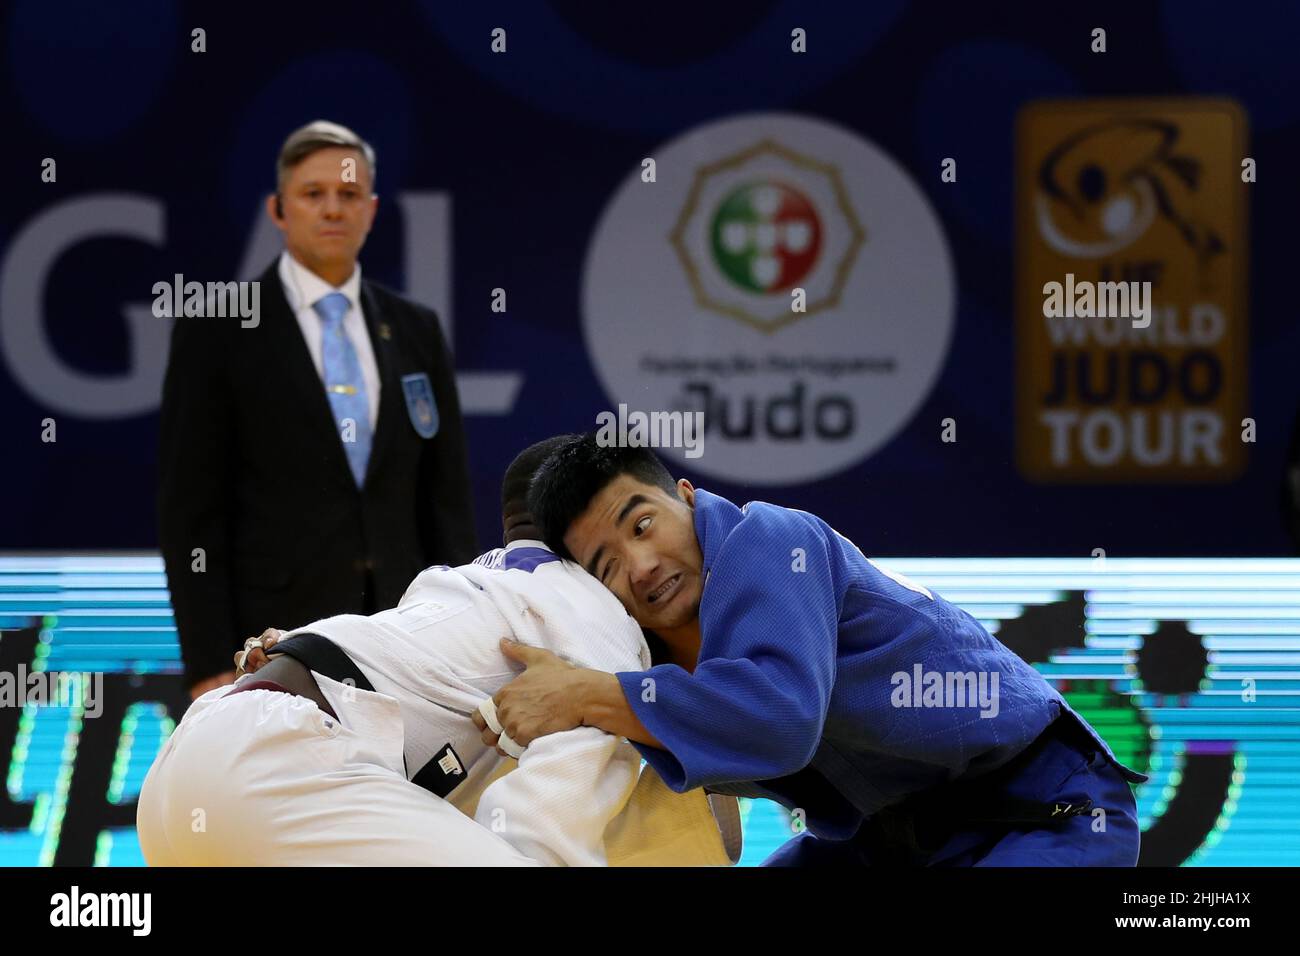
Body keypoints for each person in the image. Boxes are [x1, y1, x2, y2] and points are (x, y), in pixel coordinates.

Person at [475, 432, 1150, 866]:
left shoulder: (773, 540)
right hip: (889, 839)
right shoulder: (640, 651)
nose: (642, 564)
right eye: (607, 564)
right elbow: (722, 830)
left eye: (643, 524)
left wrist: (586, 695)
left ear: (686, 495)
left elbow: (781, 721)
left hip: (1043, 810)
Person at [136, 438, 740, 866]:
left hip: (183, 782)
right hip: (278, 776)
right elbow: (554, 815)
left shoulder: (456, 585)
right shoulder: (590, 610)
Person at [158, 120, 477, 700]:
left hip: (405, 640)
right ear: (278, 210)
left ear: (372, 209)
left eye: (349, 194)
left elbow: (445, 500)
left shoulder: (414, 329)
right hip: (270, 643)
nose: (333, 209)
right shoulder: (219, 328)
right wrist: (208, 660)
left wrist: (461, 633)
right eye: (314, 194)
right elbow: (191, 513)